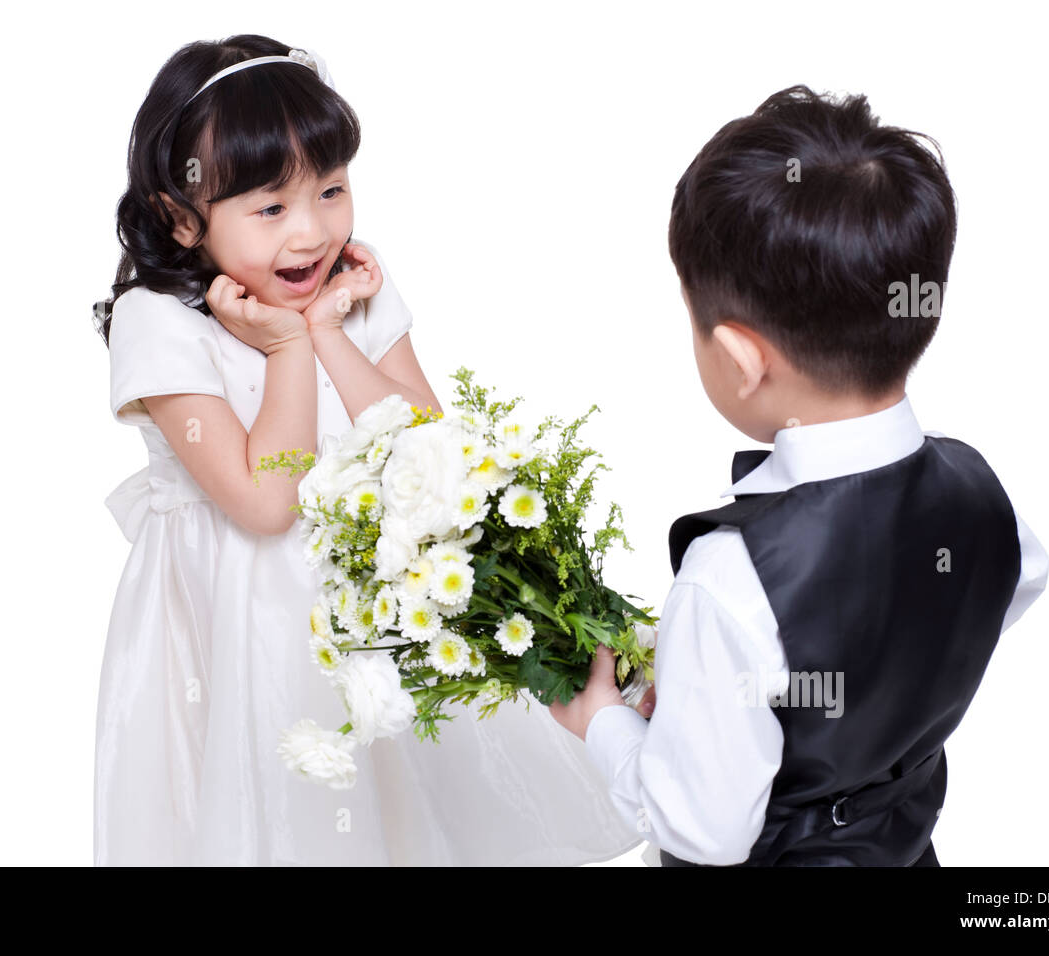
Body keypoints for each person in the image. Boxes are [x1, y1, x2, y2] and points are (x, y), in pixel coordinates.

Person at [93, 34, 643, 865]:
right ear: (181, 217)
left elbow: (431, 451)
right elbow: (267, 500)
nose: (311, 231)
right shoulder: (158, 323)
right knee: (278, 810)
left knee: (403, 813)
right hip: (233, 624)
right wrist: (285, 351)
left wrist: (325, 333)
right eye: (271, 209)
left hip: (369, 605)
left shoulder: (348, 286)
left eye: (331, 189)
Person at [549, 85, 1049, 866]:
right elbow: (1012, 585)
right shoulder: (981, 493)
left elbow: (704, 830)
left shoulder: (730, 576)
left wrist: (604, 722)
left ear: (743, 359)